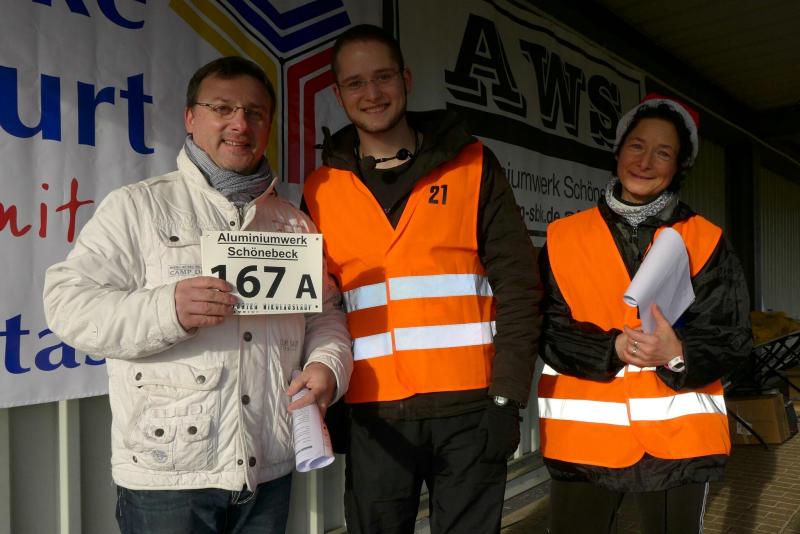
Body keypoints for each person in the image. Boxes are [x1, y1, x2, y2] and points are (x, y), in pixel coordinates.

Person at [43, 56, 352, 534]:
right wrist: (167, 309)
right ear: (190, 117)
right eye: (222, 108)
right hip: (169, 475)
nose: (240, 124)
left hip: (269, 470)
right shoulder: (138, 207)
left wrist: (327, 366)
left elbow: (326, 316)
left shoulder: (293, 223)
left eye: (254, 113)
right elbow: (67, 303)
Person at [302, 24, 540, 534]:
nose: (372, 93)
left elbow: (520, 288)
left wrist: (508, 396)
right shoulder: (320, 189)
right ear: (339, 94)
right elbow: (317, 305)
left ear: (406, 79)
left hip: (471, 410)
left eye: (383, 77)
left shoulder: (472, 165)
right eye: (356, 83)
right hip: (373, 416)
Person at [537, 94, 752, 534]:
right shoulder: (563, 237)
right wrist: (612, 348)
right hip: (585, 438)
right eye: (637, 145)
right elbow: (547, 330)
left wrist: (678, 353)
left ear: (680, 166)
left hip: (678, 441)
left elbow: (732, 336)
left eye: (663, 152)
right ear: (618, 151)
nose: (645, 161)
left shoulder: (706, 240)